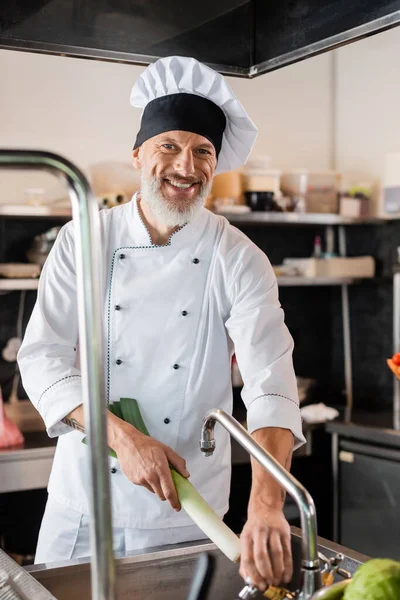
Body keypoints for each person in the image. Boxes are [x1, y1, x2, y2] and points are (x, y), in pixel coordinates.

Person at [18, 55, 305, 591]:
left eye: (203, 152)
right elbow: (42, 357)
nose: (186, 167)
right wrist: (126, 440)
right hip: (85, 504)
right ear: (137, 155)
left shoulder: (238, 257)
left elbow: (272, 386)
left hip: (186, 512)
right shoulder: (84, 237)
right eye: (169, 146)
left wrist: (267, 505)